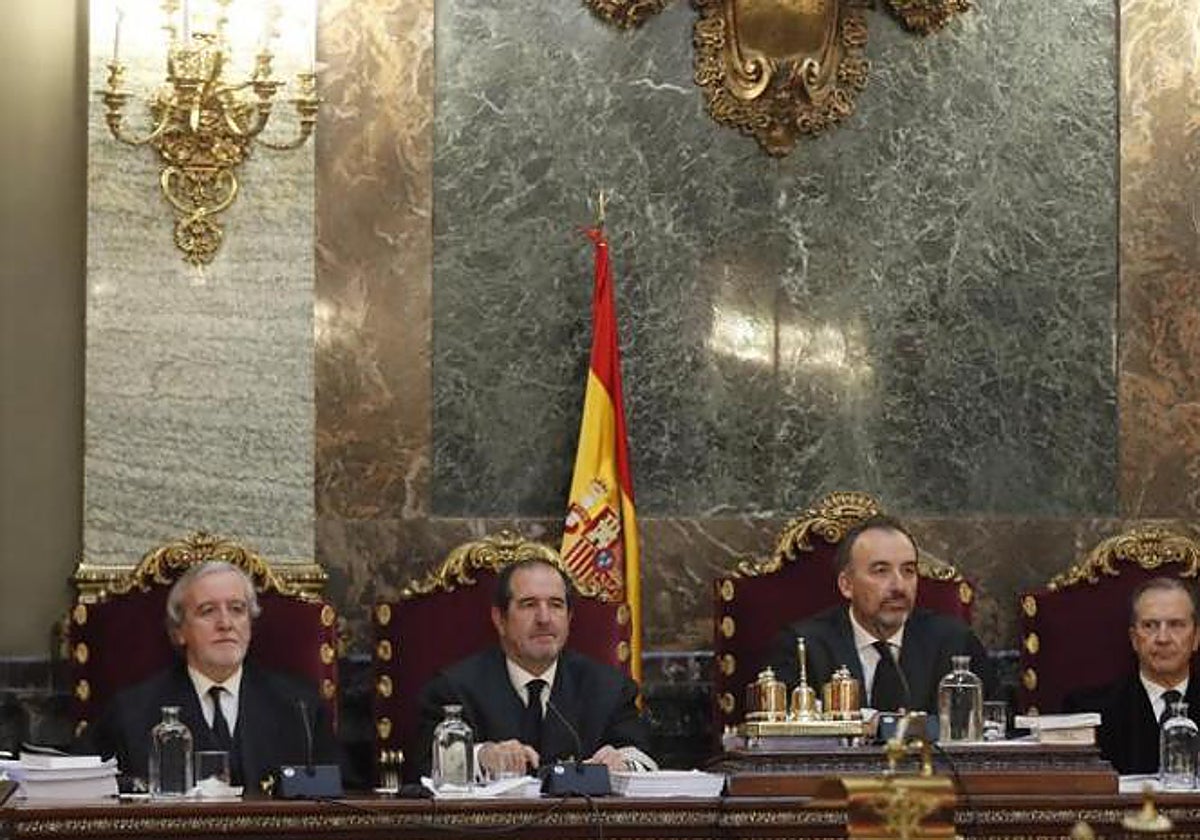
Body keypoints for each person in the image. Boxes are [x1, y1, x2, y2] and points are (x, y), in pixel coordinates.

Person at [83, 560, 338, 791]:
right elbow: (87, 788)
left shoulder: (299, 707)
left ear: (250, 623)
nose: (225, 623)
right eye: (208, 611)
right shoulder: (132, 711)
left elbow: (342, 792)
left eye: (237, 609)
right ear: (179, 631)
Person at [414, 558, 654, 779]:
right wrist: (481, 757)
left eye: (556, 604)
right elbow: (423, 768)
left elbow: (645, 760)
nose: (544, 618)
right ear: (500, 619)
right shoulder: (453, 690)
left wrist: (623, 764)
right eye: (529, 605)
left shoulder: (609, 688)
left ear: (569, 618)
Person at [767, 515, 996, 713]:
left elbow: (995, 727)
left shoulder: (954, 642)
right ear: (847, 585)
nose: (898, 585)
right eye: (881, 571)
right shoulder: (803, 648)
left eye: (908, 571)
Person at [1065, 577, 1200, 774]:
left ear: (1196, 638)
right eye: (1150, 626)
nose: (1163, 638)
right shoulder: (1090, 712)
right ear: (1134, 639)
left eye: (1176, 625)